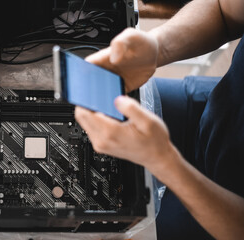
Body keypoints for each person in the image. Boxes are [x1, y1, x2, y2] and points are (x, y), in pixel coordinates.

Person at [74, 0, 244, 239]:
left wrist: (163, 162)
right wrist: (156, 48)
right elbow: (224, 10)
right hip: (213, 110)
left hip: (221, 213)